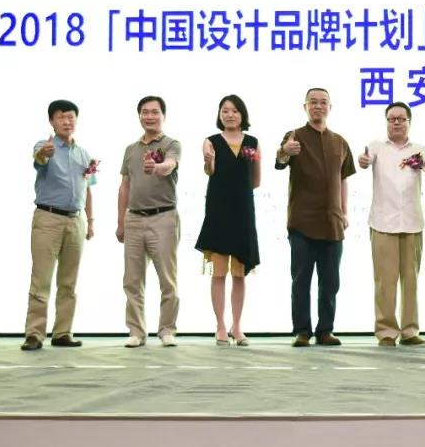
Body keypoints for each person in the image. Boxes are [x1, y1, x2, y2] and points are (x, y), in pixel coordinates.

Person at [275, 87, 355, 347]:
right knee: (301, 280)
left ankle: (325, 330)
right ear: (305, 107)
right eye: (313, 102)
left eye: (323, 102)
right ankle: (302, 331)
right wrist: (285, 151)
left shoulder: (340, 141)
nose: (318, 106)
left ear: (330, 107)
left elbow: (343, 179)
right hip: (301, 221)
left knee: (330, 282)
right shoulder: (294, 136)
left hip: (332, 221)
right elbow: (280, 161)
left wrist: (344, 211)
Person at [357, 102, 425, 347]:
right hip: (383, 223)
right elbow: (365, 160)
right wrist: (363, 160)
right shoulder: (376, 147)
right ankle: (386, 332)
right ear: (386, 122)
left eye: (401, 118)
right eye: (392, 119)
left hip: (412, 222)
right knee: (385, 282)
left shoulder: (420, 149)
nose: (396, 123)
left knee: (411, 281)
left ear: (409, 122)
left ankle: (410, 331)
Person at [22, 100, 97, 351]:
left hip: (76, 220)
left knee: (69, 282)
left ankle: (62, 332)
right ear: (51, 122)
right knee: (41, 279)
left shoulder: (83, 154)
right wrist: (45, 153)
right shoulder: (44, 146)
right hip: (48, 219)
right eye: (61, 117)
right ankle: (34, 334)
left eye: (71, 117)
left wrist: (90, 221)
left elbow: (88, 189)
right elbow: (40, 158)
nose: (67, 121)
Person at [194, 95, 261, 347]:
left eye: (234, 111)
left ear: (242, 114)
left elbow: (256, 181)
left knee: (240, 274)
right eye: (225, 111)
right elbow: (209, 171)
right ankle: (220, 325)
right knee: (219, 274)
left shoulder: (253, 142)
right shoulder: (210, 141)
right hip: (218, 212)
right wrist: (209, 162)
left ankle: (237, 325)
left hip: (243, 213)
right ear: (219, 114)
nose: (229, 115)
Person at [117, 95, 182, 349]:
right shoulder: (131, 149)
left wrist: (156, 167)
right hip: (134, 218)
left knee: (167, 279)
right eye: (145, 112)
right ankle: (136, 331)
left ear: (163, 115)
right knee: (132, 280)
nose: (150, 116)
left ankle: (167, 330)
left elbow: (170, 165)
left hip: (163, 217)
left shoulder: (171, 144)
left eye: (155, 112)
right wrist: (121, 221)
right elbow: (125, 186)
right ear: (139, 116)